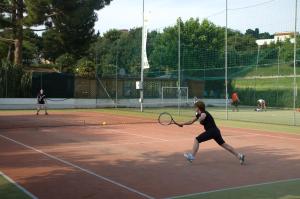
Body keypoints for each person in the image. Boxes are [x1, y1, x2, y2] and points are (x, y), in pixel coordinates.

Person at [175, 100, 245, 165]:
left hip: (212, 131)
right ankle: (239, 156)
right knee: (224, 145)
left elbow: (202, 116)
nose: (194, 108)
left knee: (197, 139)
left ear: (199, 108)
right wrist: (182, 124)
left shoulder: (204, 113)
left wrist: (200, 118)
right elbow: (191, 121)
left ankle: (192, 156)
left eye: (195, 107)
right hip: (216, 131)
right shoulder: (199, 114)